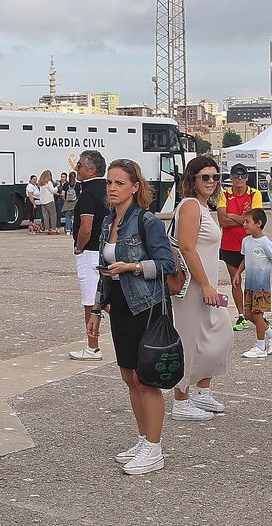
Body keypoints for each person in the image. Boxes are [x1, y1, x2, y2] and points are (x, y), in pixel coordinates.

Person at [94, 159, 177, 475]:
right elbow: (104, 271)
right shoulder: (108, 222)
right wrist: (97, 308)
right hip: (119, 305)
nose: (112, 189)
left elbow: (167, 265)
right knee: (129, 375)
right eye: (110, 183)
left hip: (145, 306)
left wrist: (133, 267)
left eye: (119, 183)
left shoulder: (147, 221)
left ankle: (155, 449)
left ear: (135, 187)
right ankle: (144, 439)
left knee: (146, 378)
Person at [170, 156, 234, 421]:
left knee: (218, 336)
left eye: (215, 177)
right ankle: (181, 400)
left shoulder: (205, 207)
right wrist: (206, 284)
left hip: (204, 286)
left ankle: (201, 391)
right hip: (192, 288)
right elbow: (186, 247)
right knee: (189, 340)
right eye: (205, 177)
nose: (211, 181)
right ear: (192, 179)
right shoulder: (190, 206)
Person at [69, 150, 107, 360]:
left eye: (80, 166)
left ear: (91, 170)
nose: (77, 169)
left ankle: (92, 347)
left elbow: (86, 228)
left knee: (90, 301)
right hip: (107, 250)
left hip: (90, 252)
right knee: (108, 296)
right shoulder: (109, 189)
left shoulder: (87, 194)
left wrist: (79, 246)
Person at [218, 164, 263, 332]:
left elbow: (255, 219)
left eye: (242, 175)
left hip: (251, 244)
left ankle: (258, 314)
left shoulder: (254, 193)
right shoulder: (224, 194)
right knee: (235, 281)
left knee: (254, 282)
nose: (239, 179)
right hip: (229, 245)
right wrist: (243, 220)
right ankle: (241, 315)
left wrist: (232, 216)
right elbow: (222, 221)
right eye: (235, 176)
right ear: (230, 177)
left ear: (247, 177)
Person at [239, 208, 272, 358]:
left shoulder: (266, 243)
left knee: (258, 315)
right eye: (244, 222)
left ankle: (260, 346)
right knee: (248, 315)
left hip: (261, 286)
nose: (244, 225)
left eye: (247, 222)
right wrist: (237, 273)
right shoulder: (246, 241)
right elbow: (245, 260)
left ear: (259, 223)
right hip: (249, 286)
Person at [35, 169, 59, 235]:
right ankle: (53, 229)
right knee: (53, 215)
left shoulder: (40, 183)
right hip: (49, 201)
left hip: (43, 201)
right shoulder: (49, 182)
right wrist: (57, 186)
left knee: (45, 216)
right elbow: (53, 191)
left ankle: (47, 229)